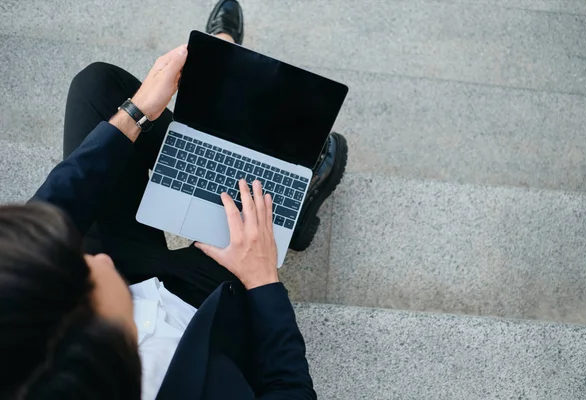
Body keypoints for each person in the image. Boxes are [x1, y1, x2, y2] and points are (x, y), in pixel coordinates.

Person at [0, 0, 347, 398]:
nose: (92, 257)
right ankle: (292, 208)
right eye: (84, 285)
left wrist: (135, 113)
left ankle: (220, 72)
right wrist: (263, 278)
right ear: (105, 351)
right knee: (258, 206)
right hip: (205, 314)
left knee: (99, 90)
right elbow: (291, 391)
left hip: (129, 279)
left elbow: (45, 224)